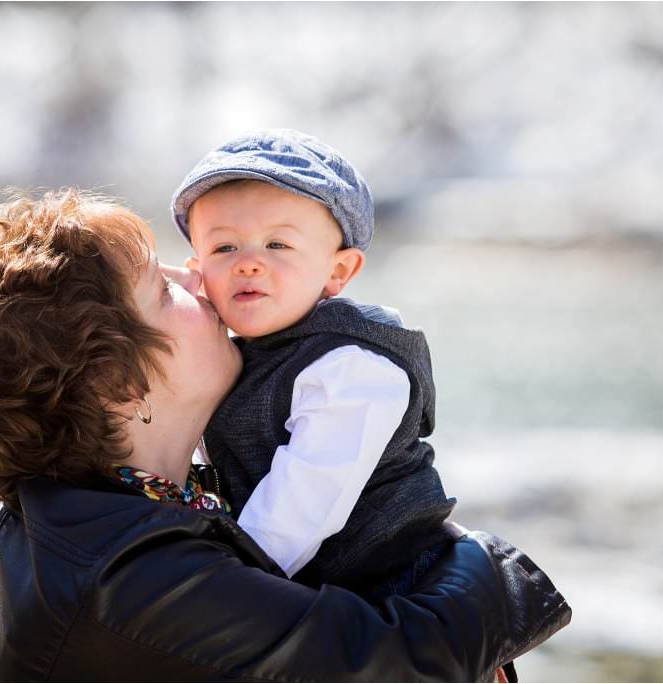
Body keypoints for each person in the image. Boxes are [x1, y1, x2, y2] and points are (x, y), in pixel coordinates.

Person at [0, 189, 570, 681]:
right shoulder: (126, 582)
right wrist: (492, 567)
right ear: (125, 385)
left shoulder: (105, 523)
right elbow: (397, 662)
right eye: (160, 288)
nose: (197, 276)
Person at [172, 128, 453, 596]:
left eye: (277, 245)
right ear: (197, 269)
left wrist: (216, 593)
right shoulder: (231, 353)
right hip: (302, 585)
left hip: (393, 596)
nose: (248, 263)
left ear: (338, 271)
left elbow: (301, 505)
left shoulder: (351, 364)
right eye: (224, 248)